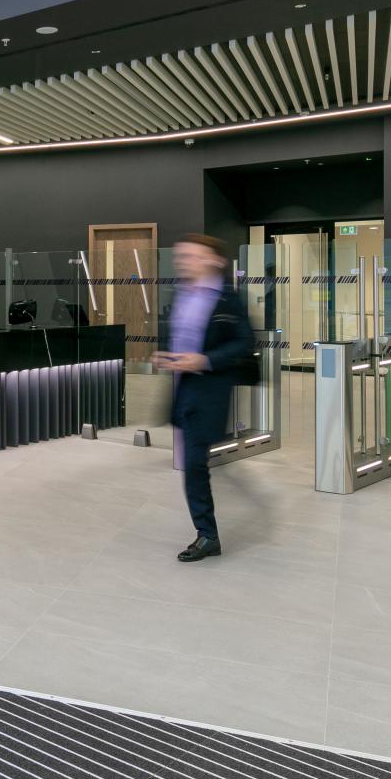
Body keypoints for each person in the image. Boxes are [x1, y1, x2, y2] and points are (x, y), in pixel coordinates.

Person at [153, 232, 257, 563]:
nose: (184, 261)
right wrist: (167, 355)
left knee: (195, 462)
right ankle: (206, 532)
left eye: (191, 256)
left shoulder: (228, 298)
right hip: (183, 384)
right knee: (192, 461)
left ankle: (207, 535)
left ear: (214, 260)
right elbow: (180, 335)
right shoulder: (181, 293)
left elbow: (244, 342)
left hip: (209, 387)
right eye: (181, 256)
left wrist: (205, 360)